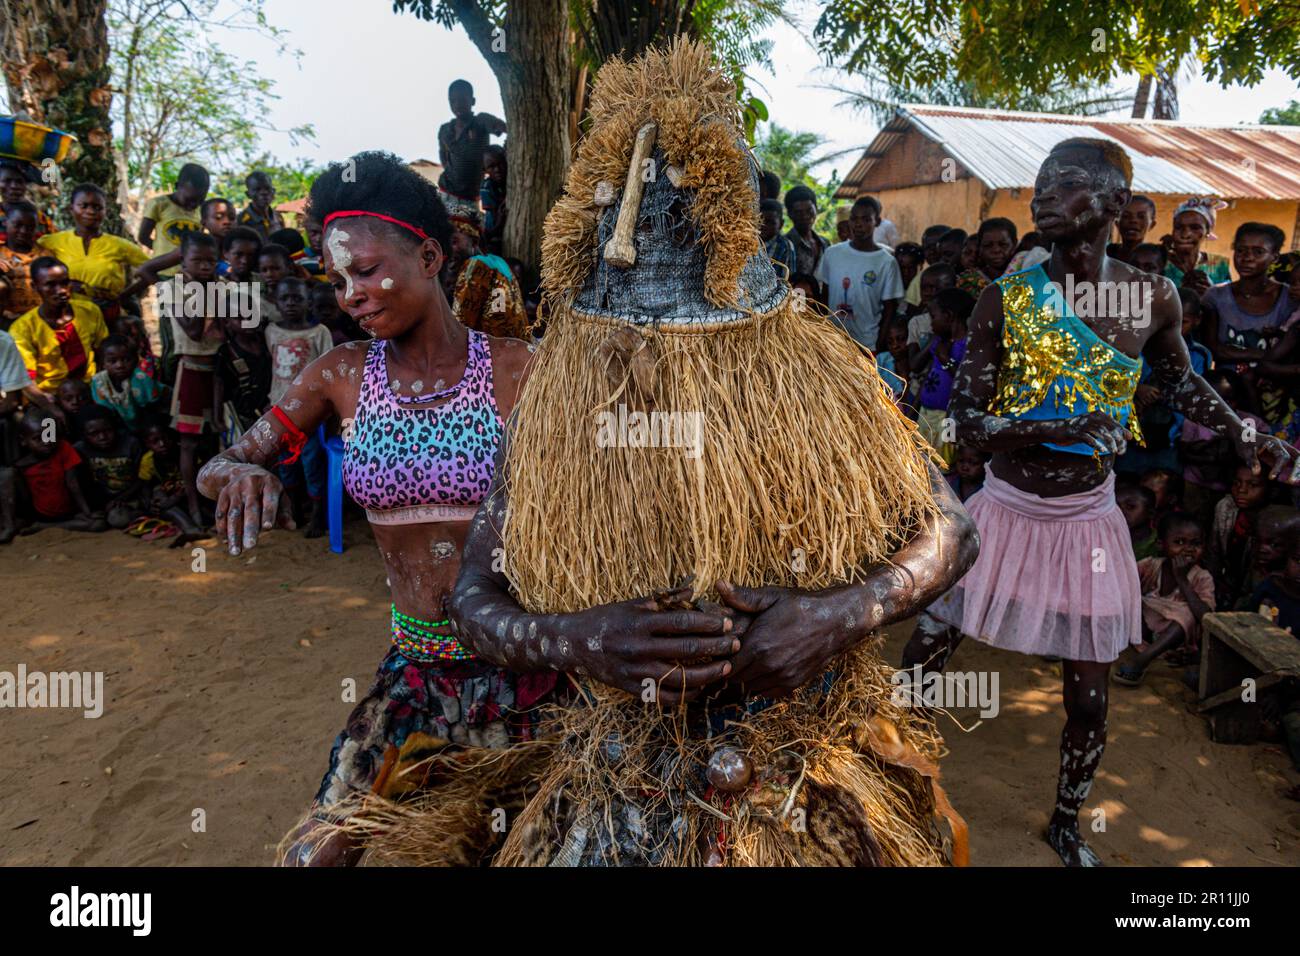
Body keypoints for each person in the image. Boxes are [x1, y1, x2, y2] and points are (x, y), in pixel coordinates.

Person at [438, 42, 976, 868]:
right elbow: (473, 595)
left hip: (801, 768)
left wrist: (837, 616)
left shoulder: (822, 377)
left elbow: (952, 529)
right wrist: (578, 640)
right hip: (621, 779)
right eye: (642, 339)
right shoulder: (560, 400)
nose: (669, 360)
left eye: (703, 340)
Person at [905, 137, 1299, 867]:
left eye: (1069, 183)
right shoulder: (1006, 298)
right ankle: (895, 791)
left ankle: (1065, 822)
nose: (1046, 194)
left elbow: (1181, 384)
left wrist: (1247, 428)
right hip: (1002, 512)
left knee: (1087, 700)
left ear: (1115, 205)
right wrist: (1055, 425)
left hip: (1086, 524)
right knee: (923, 656)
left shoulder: (1153, 296)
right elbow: (962, 424)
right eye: (1043, 182)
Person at [196, 151, 540, 867]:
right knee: (314, 857)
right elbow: (226, 459)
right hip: (414, 671)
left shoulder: (519, 369)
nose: (352, 294)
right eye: (338, 279)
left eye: (368, 270)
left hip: (529, 672)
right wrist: (234, 473)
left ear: (431, 253)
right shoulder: (340, 376)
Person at [163, 233, 226, 526]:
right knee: (188, 443)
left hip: (218, 370)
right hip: (190, 372)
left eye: (210, 261)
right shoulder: (174, 289)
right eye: (197, 260)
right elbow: (193, 331)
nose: (204, 266)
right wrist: (204, 293)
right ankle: (191, 504)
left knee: (216, 439)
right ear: (183, 261)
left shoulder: (222, 287)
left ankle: (215, 502)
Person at [1204, 223, 1295, 426]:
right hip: (1228, 396)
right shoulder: (1216, 296)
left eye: (1258, 252)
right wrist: (1265, 356)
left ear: (1275, 257)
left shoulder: (1290, 298)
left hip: (1276, 397)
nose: (1247, 257)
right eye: (1241, 250)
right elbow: (1214, 350)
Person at [1113, 512, 1215, 685]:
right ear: (1161, 544)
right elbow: (1121, 585)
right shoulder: (1150, 565)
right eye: (1179, 542)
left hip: (1173, 638)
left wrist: (1182, 580)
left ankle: (1142, 661)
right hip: (1143, 631)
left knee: (1187, 614)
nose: (1188, 549)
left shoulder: (1202, 577)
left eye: (1195, 543)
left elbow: (1207, 617)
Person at [265, 276, 332, 536]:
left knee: (311, 462)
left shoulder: (319, 333)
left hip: (310, 413)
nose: (291, 303)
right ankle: (294, 509)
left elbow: (328, 371)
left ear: (309, 303)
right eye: (285, 298)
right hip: (280, 412)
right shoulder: (272, 331)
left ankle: (318, 515)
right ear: (276, 302)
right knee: (285, 463)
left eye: (298, 298)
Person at [815, 195, 904, 351]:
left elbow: (890, 308)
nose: (858, 224)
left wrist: (879, 344)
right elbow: (825, 295)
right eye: (854, 219)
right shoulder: (832, 253)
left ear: (876, 221)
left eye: (866, 219)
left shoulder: (886, 262)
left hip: (867, 344)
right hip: (832, 342)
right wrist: (823, 331)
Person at [9, 256, 109, 395]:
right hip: (49, 396)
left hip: (89, 389)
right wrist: (51, 407)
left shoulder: (89, 311)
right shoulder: (22, 329)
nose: (61, 290)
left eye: (65, 283)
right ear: (34, 287)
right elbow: (27, 381)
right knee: (43, 418)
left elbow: (104, 352)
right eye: (50, 285)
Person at [13, 408, 106, 533]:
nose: (46, 442)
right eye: (38, 439)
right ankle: (45, 525)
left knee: (98, 524)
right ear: (23, 441)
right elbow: (24, 496)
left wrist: (86, 511)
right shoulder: (21, 465)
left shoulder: (63, 448)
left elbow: (73, 483)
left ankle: (44, 527)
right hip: (41, 513)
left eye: (49, 435)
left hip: (69, 510)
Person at [913, 288, 974, 467]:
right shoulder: (941, 342)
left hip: (947, 420)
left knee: (943, 464)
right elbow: (921, 371)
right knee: (922, 462)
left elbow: (965, 384)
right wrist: (912, 412)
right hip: (926, 414)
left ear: (948, 316)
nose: (931, 323)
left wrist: (945, 360)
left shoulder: (967, 345)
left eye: (933, 316)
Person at [446, 215, 529, 341]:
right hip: (514, 351)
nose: (448, 249)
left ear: (474, 242)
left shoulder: (476, 265)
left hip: (494, 355)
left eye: (454, 242)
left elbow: (458, 329)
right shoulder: (497, 262)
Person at [437, 79, 506, 221]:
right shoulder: (445, 130)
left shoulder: (481, 121)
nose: (458, 105)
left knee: (468, 236)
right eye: (453, 101)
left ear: (472, 101)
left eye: (462, 100)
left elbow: (504, 128)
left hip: (470, 199)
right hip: (445, 193)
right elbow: (444, 157)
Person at [1206, 463, 1273, 609]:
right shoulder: (1225, 507)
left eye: (1253, 485)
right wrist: (1210, 586)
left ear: (1269, 488)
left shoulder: (1273, 522)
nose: (1241, 490)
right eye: (1237, 483)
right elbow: (1214, 552)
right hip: (1226, 582)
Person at [74, 404, 144, 528]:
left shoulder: (130, 444)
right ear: (84, 434)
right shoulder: (80, 450)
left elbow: (142, 478)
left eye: (107, 431)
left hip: (128, 497)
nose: (102, 437)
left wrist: (122, 498)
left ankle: (141, 513)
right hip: (101, 500)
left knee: (118, 520)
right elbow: (81, 483)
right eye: (94, 434)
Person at [138, 163, 209, 269]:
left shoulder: (203, 210)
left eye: (200, 200)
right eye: (190, 199)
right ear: (177, 186)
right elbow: (143, 237)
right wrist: (165, 257)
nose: (194, 204)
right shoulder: (159, 204)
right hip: (163, 270)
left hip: (190, 272)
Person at [215, 310, 271, 438]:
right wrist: (217, 418)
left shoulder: (267, 342)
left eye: (251, 316)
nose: (248, 322)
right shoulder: (226, 352)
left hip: (271, 409)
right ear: (227, 322)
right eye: (240, 318)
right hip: (243, 413)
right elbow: (219, 385)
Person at [89, 334, 162, 431]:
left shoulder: (142, 378)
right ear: (103, 363)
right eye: (112, 361)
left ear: (135, 360)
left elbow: (152, 408)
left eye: (126, 360)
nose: (119, 365)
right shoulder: (99, 382)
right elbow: (104, 411)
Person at [1163, 197, 1231, 293]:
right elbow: (1140, 305)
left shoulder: (1220, 265)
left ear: (1208, 231)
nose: (1185, 234)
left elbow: (1228, 305)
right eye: (1179, 227)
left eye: (1195, 228)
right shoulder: (1157, 262)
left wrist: (1211, 294)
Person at [0, 200, 43, 326]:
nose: (24, 231)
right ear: (6, 223)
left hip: (40, 322)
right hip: (6, 322)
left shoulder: (46, 254)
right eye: (18, 225)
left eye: (30, 227)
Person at [957, 217, 1017, 296]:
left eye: (1003, 245)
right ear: (980, 247)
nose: (996, 250)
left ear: (1014, 244)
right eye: (988, 245)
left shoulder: (1025, 275)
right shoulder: (968, 282)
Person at [0, 161, 55, 242]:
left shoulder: (41, 220)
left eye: (19, 182)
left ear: (25, 185)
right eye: (7, 181)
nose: (13, 186)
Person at [783, 184, 829, 282]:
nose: (805, 216)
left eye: (809, 211)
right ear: (790, 214)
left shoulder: (825, 243)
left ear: (816, 209)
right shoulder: (783, 244)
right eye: (799, 212)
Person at [905, 224, 952, 310]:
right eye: (927, 247)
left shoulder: (960, 275)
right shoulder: (918, 281)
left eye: (936, 247)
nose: (932, 252)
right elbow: (911, 311)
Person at [310, 277, 364, 345]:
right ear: (310, 306)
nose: (326, 312)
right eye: (320, 307)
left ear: (342, 307)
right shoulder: (305, 332)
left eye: (332, 307)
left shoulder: (352, 331)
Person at [1107, 195, 1156, 264]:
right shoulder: (1105, 253)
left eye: (1141, 216)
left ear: (1152, 224)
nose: (1133, 220)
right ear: (1117, 223)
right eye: (1126, 216)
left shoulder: (1156, 258)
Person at [1116, 483, 1159, 560]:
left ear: (1150, 513)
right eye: (1116, 507)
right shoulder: (1105, 538)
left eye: (1130, 506)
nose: (1121, 512)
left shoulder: (1159, 545)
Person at [237, 171, 284, 238]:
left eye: (267, 188)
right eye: (257, 189)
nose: (264, 192)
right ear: (248, 194)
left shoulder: (278, 217)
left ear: (273, 191)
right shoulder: (241, 221)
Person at [480, 144, 507, 256]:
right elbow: (494, 227)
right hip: (494, 236)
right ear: (485, 169)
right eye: (491, 166)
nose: (497, 169)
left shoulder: (510, 181)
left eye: (500, 163)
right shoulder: (486, 187)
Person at [759, 198, 795, 278]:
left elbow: (787, 279)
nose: (763, 226)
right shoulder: (749, 240)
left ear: (781, 224)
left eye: (770, 222)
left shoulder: (785, 246)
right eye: (760, 221)